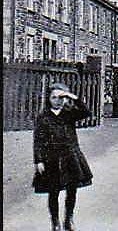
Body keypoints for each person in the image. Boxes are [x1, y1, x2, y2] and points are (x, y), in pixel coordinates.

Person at [33, 83, 93, 231]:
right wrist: (39, 160)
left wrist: (73, 97)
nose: (57, 101)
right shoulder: (43, 117)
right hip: (51, 158)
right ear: (48, 99)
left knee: (72, 190)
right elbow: (38, 140)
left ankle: (69, 219)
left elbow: (86, 112)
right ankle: (55, 222)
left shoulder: (69, 113)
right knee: (53, 191)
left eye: (61, 98)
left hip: (71, 157)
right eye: (54, 97)